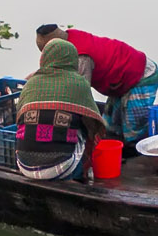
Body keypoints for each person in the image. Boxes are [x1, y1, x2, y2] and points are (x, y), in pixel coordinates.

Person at [34, 24, 158, 144]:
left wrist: (90, 130)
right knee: (110, 128)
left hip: (140, 73)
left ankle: (141, 153)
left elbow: (81, 96)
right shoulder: (69, 39)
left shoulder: (81, 57)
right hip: (117, 80)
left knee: (134, 131)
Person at [12, 37, 109, 180]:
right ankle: (80, 175)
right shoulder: (79, 83)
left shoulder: (30, 83)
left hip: (24, 164)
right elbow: (94, 123)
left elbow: (19, 118)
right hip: (59, 168)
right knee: (84, 130)